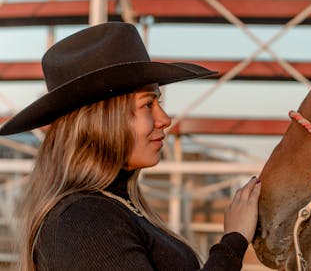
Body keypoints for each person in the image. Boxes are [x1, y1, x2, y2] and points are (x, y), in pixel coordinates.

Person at [0, 22, 261, 271]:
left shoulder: (111, 207)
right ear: (102, 120)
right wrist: (233, 242)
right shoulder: (84, 219)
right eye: (148, 105)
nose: (165, 119)